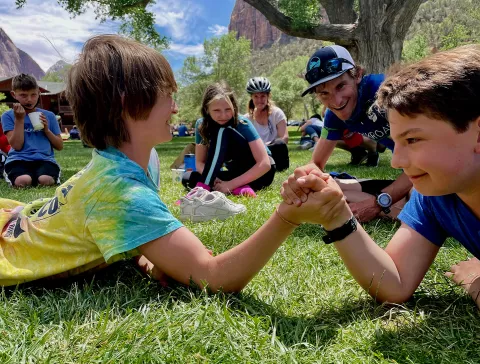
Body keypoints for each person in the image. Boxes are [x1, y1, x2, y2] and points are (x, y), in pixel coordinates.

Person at [0, 34, 334, 291]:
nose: (175, 108)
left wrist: (144, 249)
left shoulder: (142, 162)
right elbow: (212, 275)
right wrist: (287, 217)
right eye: (168, 96)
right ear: (128, 104)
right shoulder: (122, 194)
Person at [282, 45, 480, 348]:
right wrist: (337, 216)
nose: (397, 161)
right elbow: (394, 283)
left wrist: (477, 281)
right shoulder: (438, 191)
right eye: (397, 142)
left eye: (412, 139)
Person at [299, 45, 412, 222]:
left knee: (417, 203)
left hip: (433, 167)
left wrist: (376, 204)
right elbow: (316, 163)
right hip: (412, 172)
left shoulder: (386, 93)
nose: (336, 101)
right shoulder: (333, 114)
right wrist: (301, 181)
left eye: (341, 86)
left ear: (357, 74)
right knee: (326, 188)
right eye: (324, 93)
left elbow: (430, 159)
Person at [185, 82, 276, 197]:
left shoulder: (242, 123)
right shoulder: (201, 125)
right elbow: (199, 163)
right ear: (207, 109)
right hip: (236, 172)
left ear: (234, 107)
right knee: (188, 177)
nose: (223, 115)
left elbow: (264, 164)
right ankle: (240, 189)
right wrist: (215, 179)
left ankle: (205, 187)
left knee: (223, 131)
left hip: (261, 174)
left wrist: (230, 184)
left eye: (228, 109)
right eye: (217, 110)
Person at [1, 74, 63, 187]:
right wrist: (19, 120)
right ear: (13, 94)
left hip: (45, 159)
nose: (29, 99)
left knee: (46, 180)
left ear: (38, 93)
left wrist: (47, 130)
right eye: (23, 95)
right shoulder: (8, 116)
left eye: (33, 95)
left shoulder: (49, 116)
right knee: (22, 181)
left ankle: (39, 175)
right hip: (18, 159)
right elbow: (17, 146)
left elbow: (59, 146)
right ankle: (27, 176)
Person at [244, 77, 290, 171]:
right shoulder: (246, 118)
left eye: (263, 96)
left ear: (268, 96)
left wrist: (265, 146)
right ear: (251, 97)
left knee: (280, 143)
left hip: (275, 152)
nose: (259, 100)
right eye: (256, 96)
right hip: (257, 155)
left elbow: (284, 138)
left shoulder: (277, 113)